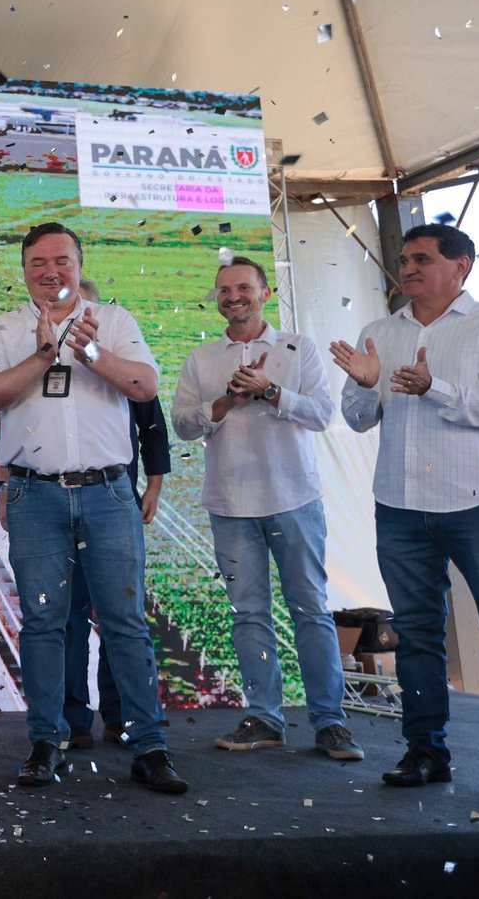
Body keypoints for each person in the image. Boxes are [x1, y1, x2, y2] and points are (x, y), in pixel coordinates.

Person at [0, 222, 187, 795]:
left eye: (61, 261)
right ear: (24, 271)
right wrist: (44, 356)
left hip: (108, 493)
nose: (51, 272)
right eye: (38, 263)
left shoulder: (113, 321)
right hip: (34, 495)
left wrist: (89, 351)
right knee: (44, 622)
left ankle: (150, 746)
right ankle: (47, 741)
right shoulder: (3, 327)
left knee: (124, 622)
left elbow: (144, 385)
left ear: (79, 264)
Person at [173, 256, 361, 762]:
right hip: (230, 504)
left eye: (243, 288)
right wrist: (226, 403)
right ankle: (264, 717)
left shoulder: (298, 348)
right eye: (224, 290)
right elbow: (183, 425)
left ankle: (330, 721)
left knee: (311, 610)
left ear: (265, 293)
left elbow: (322, 414)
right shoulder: (202, 358)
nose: (233, 297)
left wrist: (270, 391)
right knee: (248, 614)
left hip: (295, 499)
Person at [332, 223, 479, 796]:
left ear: (461, 266)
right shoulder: (378, 332)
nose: (408, 268)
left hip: (476, 503)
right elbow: (358, 420)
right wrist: (364, 385)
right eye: (404, 260)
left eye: (422, 259)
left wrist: (436, 388)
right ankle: (426, 751)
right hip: (399, 507)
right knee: (417, 634)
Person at [63, 276, 171, 749]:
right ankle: (71, 717)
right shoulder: (45, 355)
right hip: (57, 498)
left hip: (115, 494)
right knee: (67, 612)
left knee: (118, 611)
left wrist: (154, 484)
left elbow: (152, 422)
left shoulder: (122, 363)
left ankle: (122, 715)